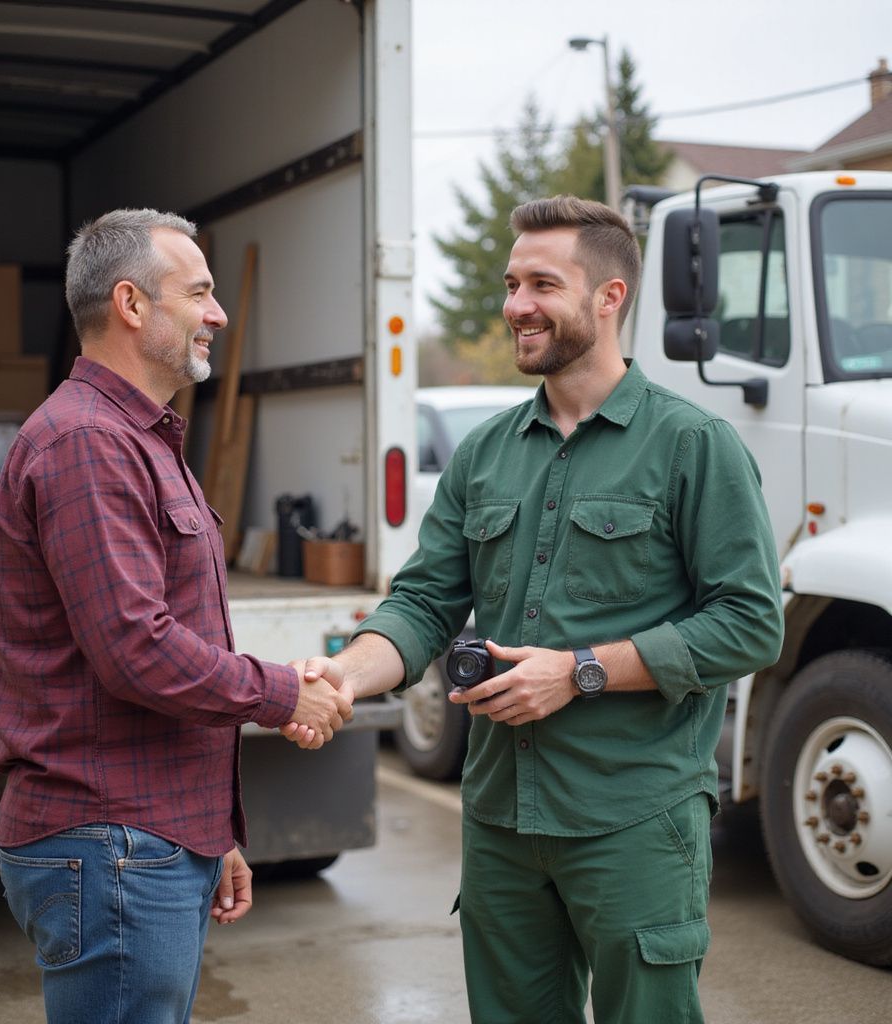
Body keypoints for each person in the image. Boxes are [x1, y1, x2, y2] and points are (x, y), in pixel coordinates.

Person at [289, 195, 784, 1023]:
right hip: (499, 819)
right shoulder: (485, 454)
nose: (516, 304)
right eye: (511, 283)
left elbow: (749, 620)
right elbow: (423, 602)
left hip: (633, 815)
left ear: (609, 297)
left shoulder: (694, 445)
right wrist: (343, 674)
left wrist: (581, 671)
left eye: (541, 284)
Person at [0, 208, 350, 1024]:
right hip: (111, 843)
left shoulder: (137, 437)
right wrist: (284, 692)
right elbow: (135, 649)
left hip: (148, 837)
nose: (218, 314)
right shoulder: (87, 442)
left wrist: (207, 829)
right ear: (132, 304)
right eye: (199, 292)